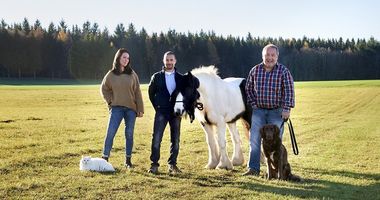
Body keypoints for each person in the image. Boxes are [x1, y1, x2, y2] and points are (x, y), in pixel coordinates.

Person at [244, 44, 295, 176]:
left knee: (275, 142)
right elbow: (248, 89)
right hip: (259, 111)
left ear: (277, 56)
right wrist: (253, 104)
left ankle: (278, 171)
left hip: (276, 112)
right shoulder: (255, 70)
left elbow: (289, 91)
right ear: (263, 56)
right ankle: (253, 169)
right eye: (267, 55)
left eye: (272, 55)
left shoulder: (283, 71)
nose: (269, 58)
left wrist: (287, 108)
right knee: (254, 139)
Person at [100, 48, 144, 169]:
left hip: (131, 109)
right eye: (124, 57)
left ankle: (128, 161)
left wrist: (140, 108)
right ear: (118, 58)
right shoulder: (111, 74)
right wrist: (110, 101)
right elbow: (104, 89)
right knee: (110, 133)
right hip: (116, 108)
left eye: (128, 58)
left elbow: (137, 92)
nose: (126, 60)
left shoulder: (132, 74)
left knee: (129, 134)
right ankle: (105, 159)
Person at [147, 51, 183, 175]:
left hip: (175, 113)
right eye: (167, 60)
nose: (169, 62)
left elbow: (185, 95)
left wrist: (181, 109)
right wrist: (157, 106)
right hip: (161, 111)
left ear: (175, 61)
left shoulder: (180, 77)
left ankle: (172, 164)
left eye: (171, 60)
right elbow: (151, 93)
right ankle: (154, 165)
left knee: (176, 140)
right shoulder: (156, 77)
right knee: (156, 138)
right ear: (164, 61)